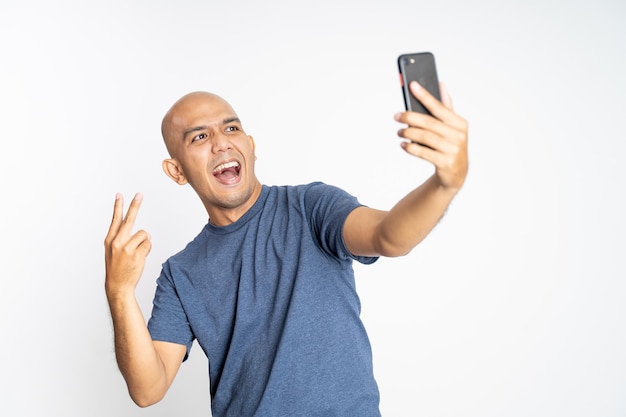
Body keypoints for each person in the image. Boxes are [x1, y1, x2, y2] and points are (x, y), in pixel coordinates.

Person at [104, 80, 468, 416]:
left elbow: (388, 236)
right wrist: (119, 292)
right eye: (199, 137)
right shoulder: (180, 272)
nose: (221, 142)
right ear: (177, 171)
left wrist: (443, 185)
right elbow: (147, 389)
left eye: (231, 128)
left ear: (252, 146)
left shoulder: (311, 207)